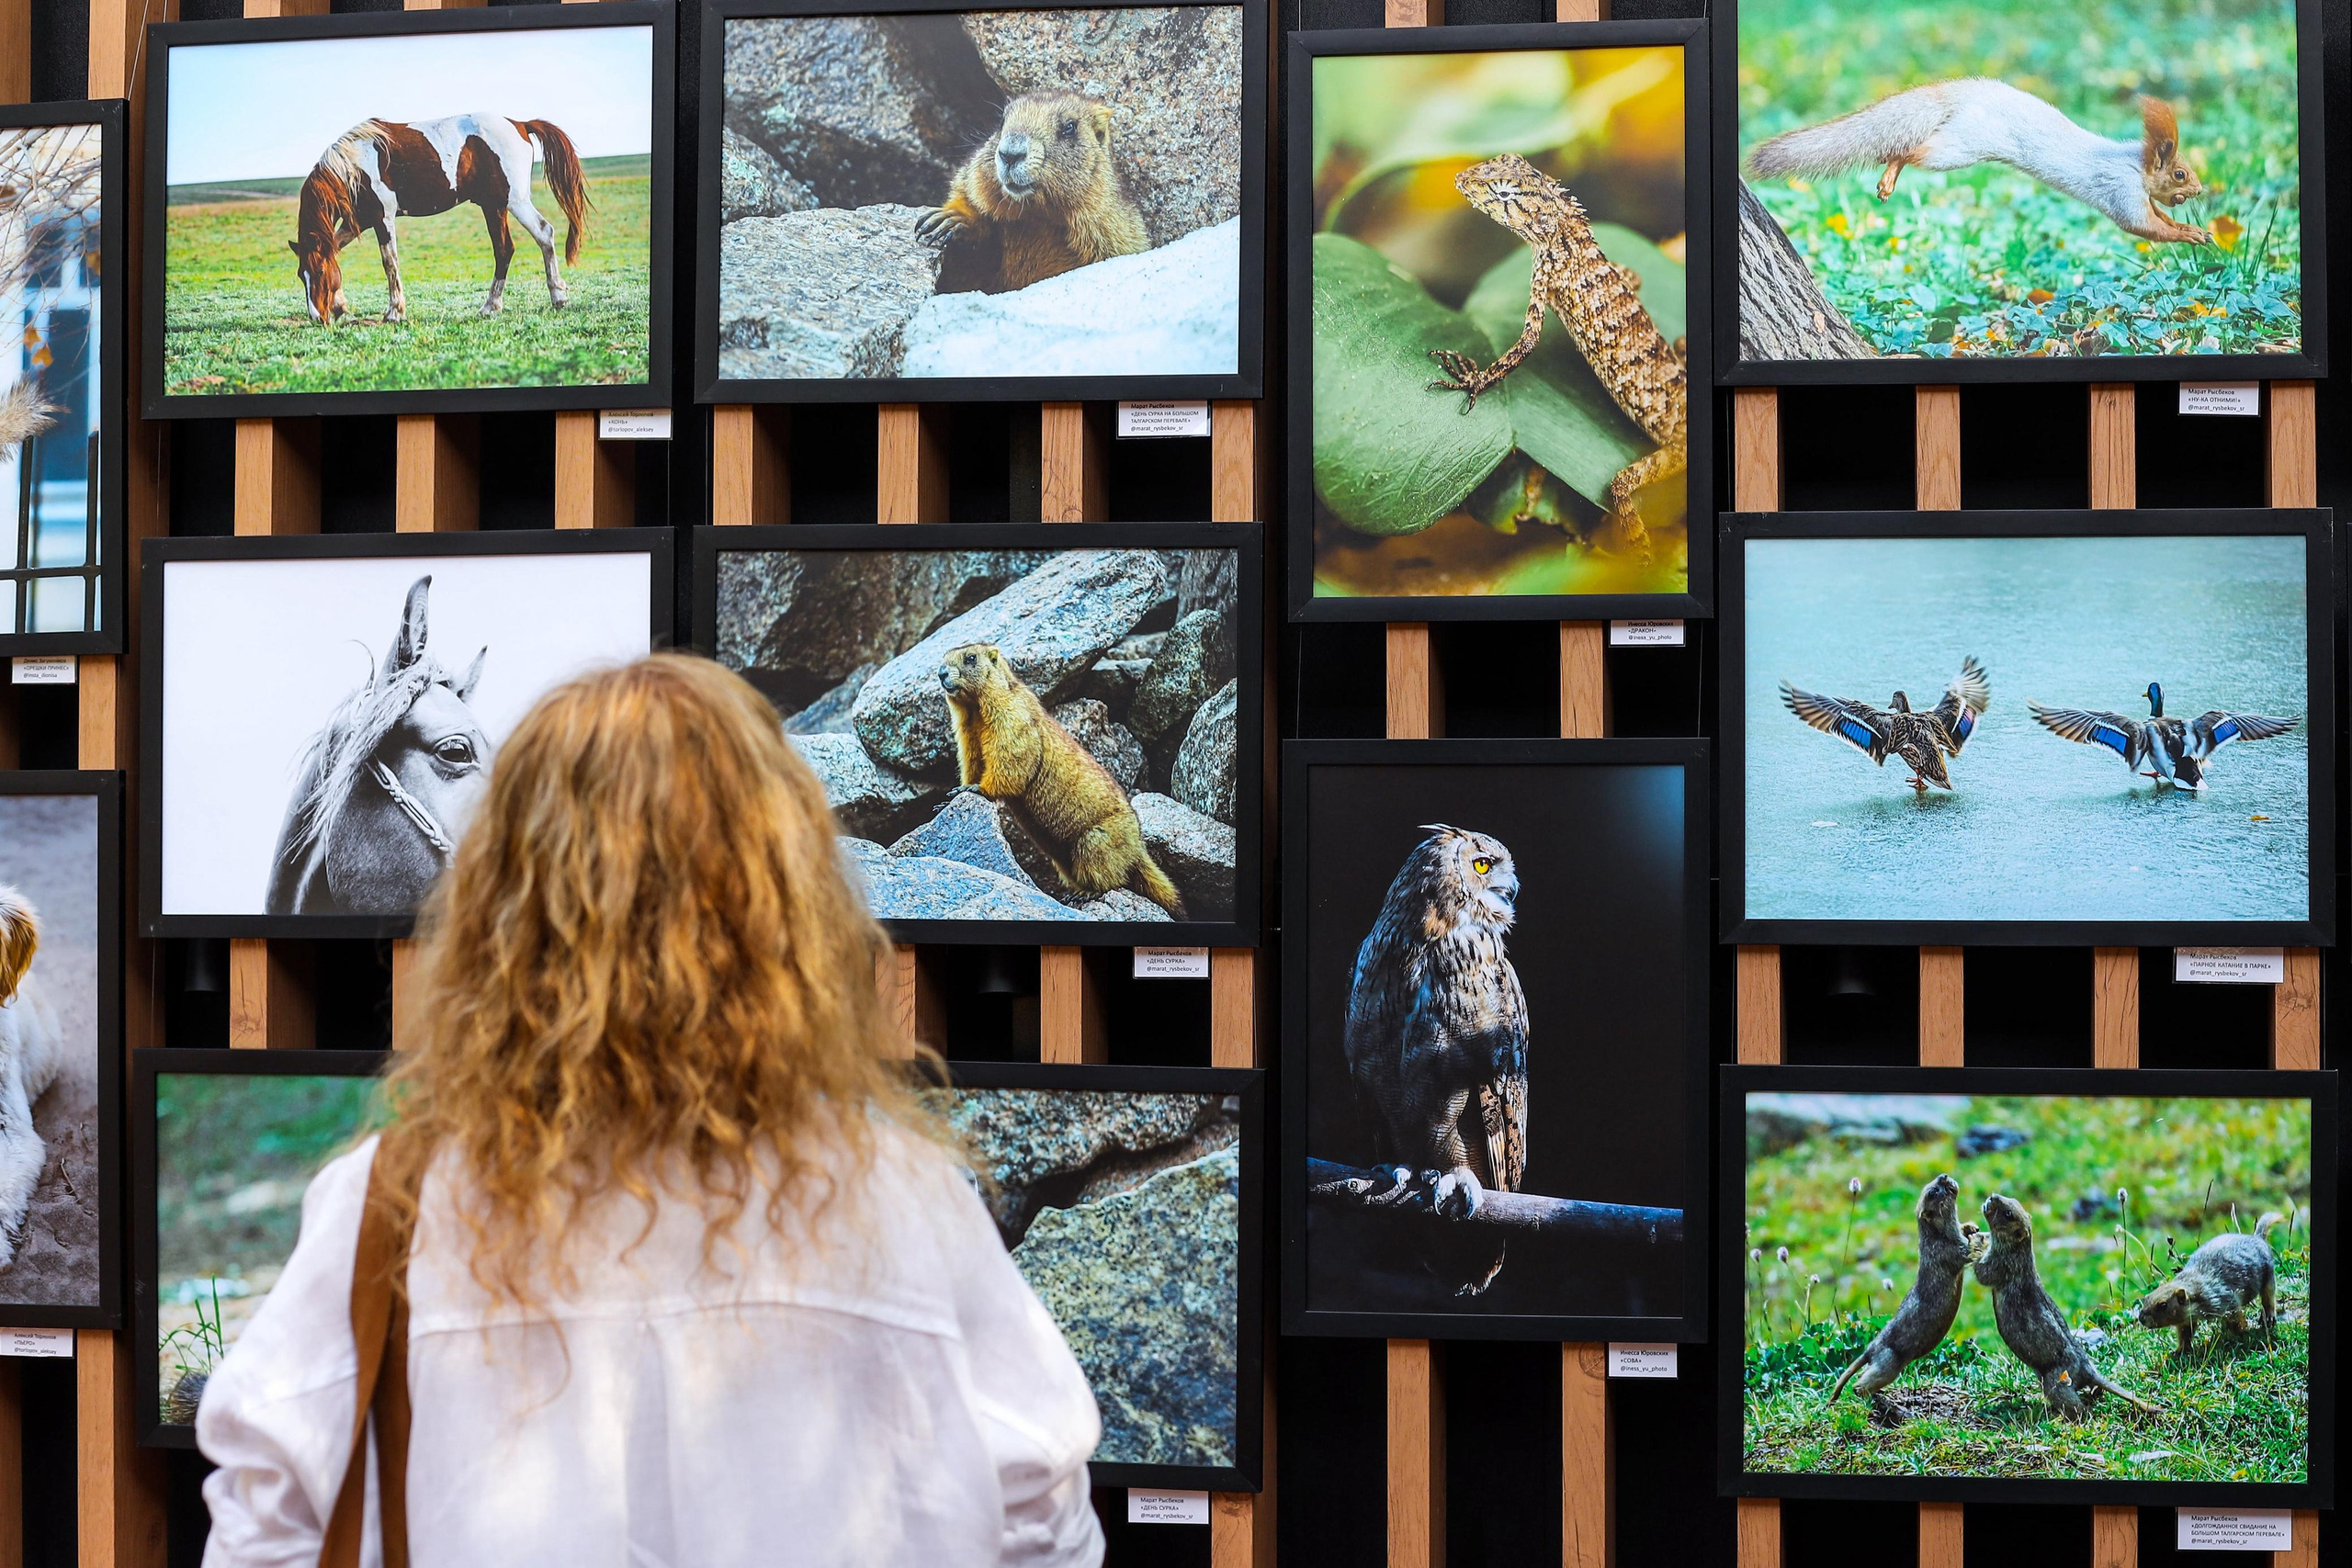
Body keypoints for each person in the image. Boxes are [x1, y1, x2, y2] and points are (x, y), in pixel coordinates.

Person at [198, 654, 1106, 1568]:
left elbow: (264, 1524)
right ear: (786, 897)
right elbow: (1040, 1518)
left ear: (499, 899)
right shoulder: (903, 1197)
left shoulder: (392, 1202)